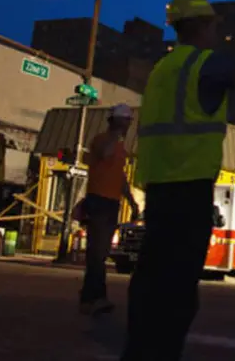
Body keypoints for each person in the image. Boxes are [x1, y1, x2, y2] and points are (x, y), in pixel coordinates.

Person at [120, 0, 235, 361]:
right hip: (187, 191)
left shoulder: (163, 70)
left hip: (157, 190)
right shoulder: (202, 64)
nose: (218, 32)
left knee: (151, 284)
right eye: (214, 26)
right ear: (203, 26)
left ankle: (138, 352)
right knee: (178, 293)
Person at [79, 103, 140, 316]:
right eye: (126, 121)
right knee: (96, 252)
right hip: (99, 201)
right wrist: (115, 136)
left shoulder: (121, 148)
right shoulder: (102, 141)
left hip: (111, 202)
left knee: (100, 252)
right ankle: (95, 297)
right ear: (116, 121)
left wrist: (131, 201)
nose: (128, 126)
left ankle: (91, 297)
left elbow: (120, 178)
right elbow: (104, 155)